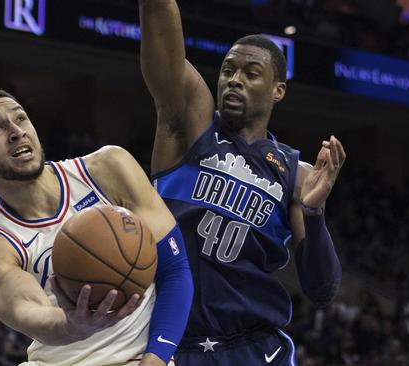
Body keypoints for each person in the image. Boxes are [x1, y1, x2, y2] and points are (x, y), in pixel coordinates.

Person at [138, 1, 344, 365]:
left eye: (251, 73)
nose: (234, 79)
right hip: (169, 341)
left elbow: (322, 290)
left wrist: (313, 212)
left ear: (278, 90)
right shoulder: (190, 125)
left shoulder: (295, 172)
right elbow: (162, 40)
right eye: (228, 70)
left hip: (254, 347)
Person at [0, 88, 194, 366]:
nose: (15, 131)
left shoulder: (107, 169)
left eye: (20, 118)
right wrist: (72, 325)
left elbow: (176, 271)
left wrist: (157, 357)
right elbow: (30, 313)